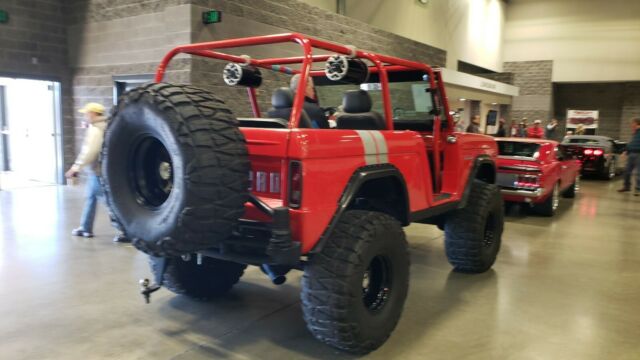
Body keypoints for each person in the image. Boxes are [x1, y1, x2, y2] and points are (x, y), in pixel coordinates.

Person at [65, 103, 130, 242]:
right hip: (102, 170)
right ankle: (85, 227)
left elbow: (90, 151)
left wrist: (75, 168)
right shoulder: (107, 125)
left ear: (93, 114)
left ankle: (126, 231)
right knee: (91, 197)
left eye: (86, 113)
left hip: (99, 171)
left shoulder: (96, 129)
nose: (85, 116)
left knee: (108, 201)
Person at [618, 118, 640, 196]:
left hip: (638, 155)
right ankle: (627, 186)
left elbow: (637, 144)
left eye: (632, 123)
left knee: (638, 173)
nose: (631, 125)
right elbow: (631, 144)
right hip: (631, 154)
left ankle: (638, 189)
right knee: (626, 171)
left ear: (637, 124)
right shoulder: (635, 133)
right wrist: (625, 151)